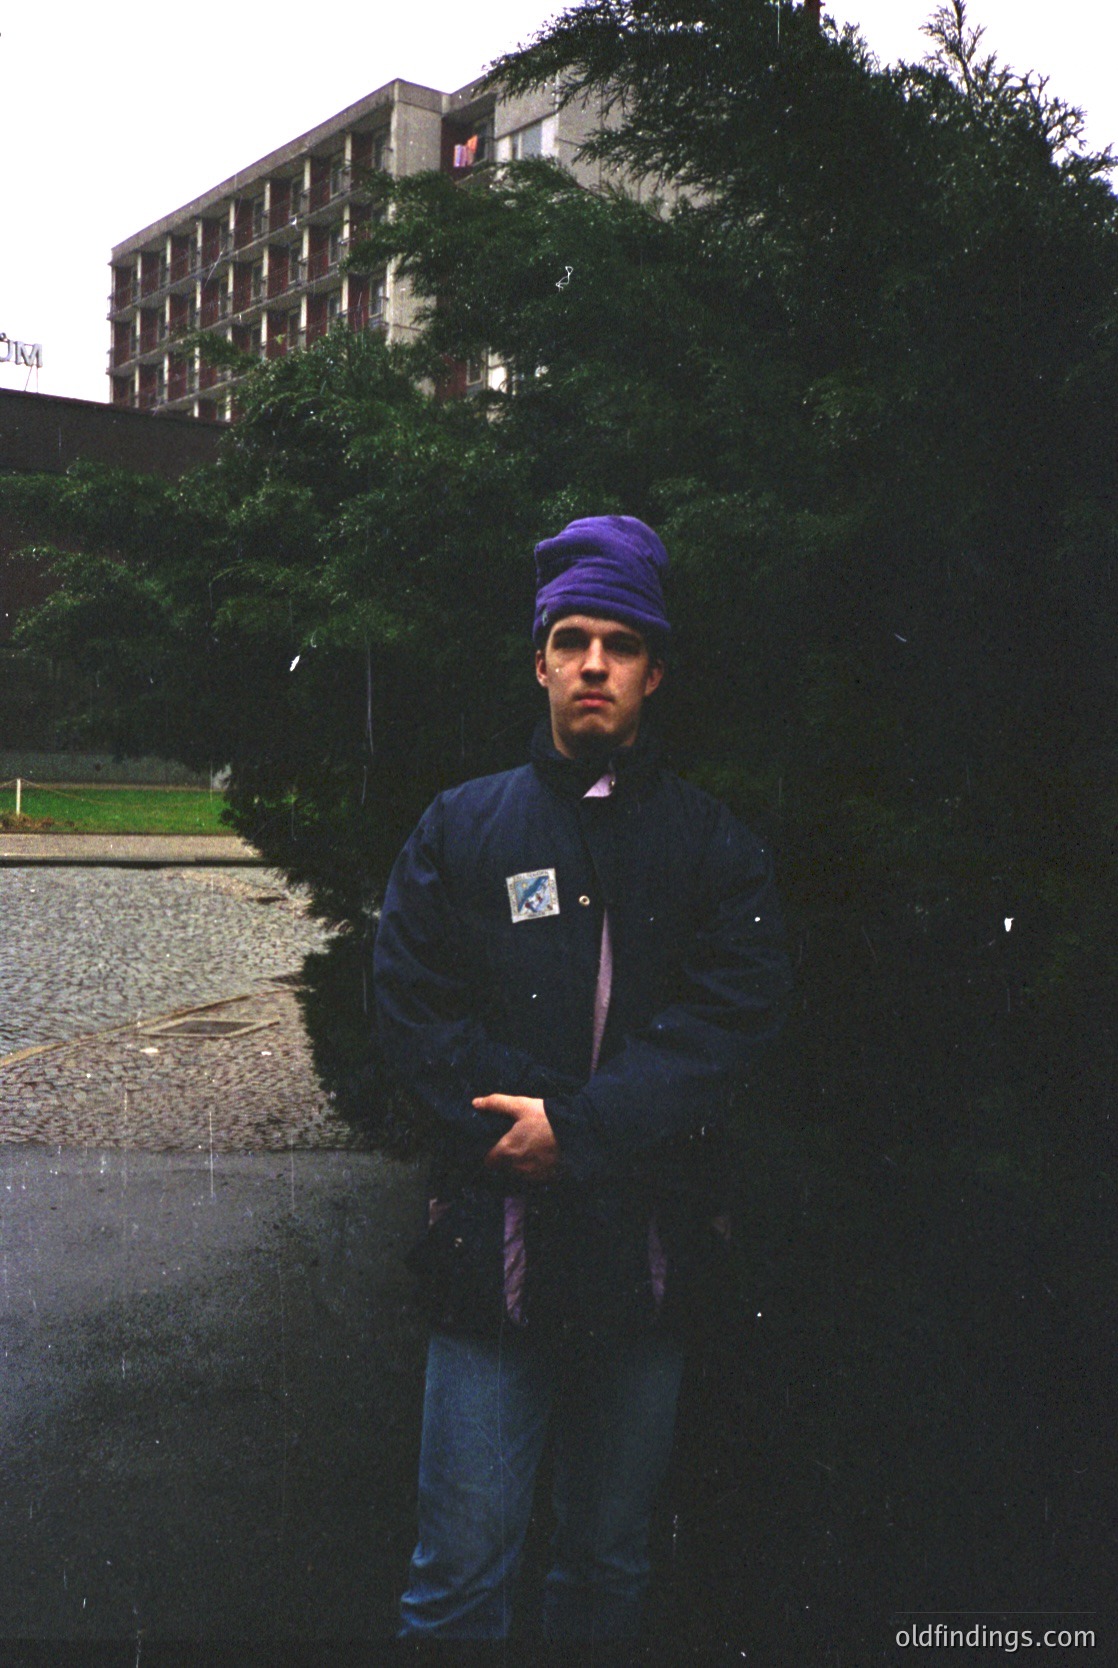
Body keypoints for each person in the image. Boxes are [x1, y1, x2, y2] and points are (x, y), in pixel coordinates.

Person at [373, 514, 792, 1642]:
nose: (593, 662)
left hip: (642, 1261)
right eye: (572, 639)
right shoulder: (460, 828)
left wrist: (584, 1128)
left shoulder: (713, 847)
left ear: (653, 672)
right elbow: (413, 1014)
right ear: (542, 661)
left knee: (604, 1569)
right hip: (490, 1261)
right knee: (456, 1576)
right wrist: (534, 1127)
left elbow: (730, 1022)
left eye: (618, 642)